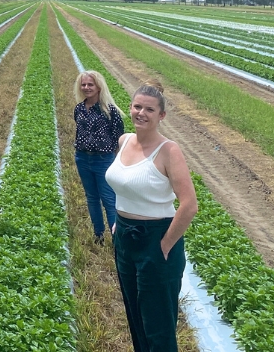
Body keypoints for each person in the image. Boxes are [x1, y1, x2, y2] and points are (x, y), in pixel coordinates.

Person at [106, 82, 197, 352]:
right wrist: (117, 222)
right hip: (125, 237)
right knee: (134, 314)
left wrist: (165, 245)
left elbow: (189, 204)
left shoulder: (169, 151)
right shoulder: (123, 142)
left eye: (149, 109)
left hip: (155, 240)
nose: (141, 113)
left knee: (157, 323)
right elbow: (124, 185)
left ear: (161, 115)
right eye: (137, 106)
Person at [73, 70, 125, 245]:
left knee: (109, 199)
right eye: (84, 84)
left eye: (90, 84)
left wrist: (117, 161)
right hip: (82, 157)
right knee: (92, 197)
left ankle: (116, 239)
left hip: (103, 160)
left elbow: (119, 137)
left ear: (98, 87)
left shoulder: (110, 111)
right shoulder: (79, 108)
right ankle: (99, 235)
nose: (87, 88)